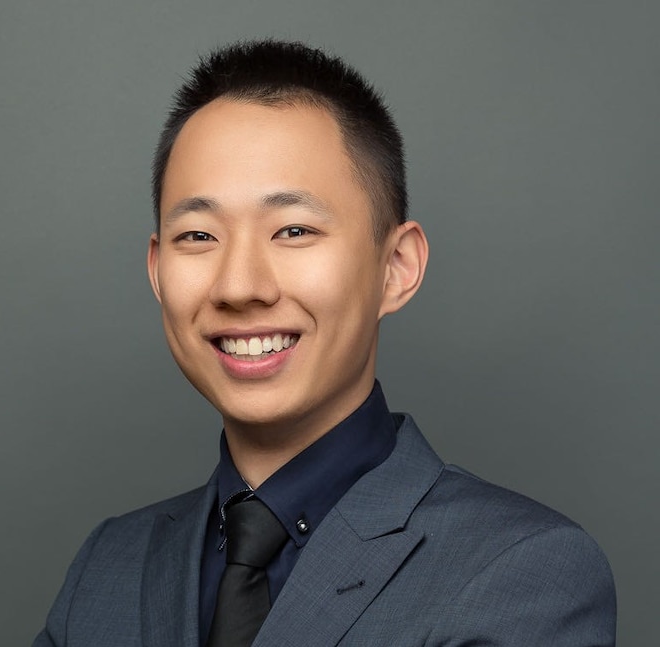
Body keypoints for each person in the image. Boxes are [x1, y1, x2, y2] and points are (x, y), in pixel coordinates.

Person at [33, 40, 616, 647]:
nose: (239, 286)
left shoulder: (521, 575)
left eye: (293, 229)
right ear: (157, 272)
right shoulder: (108, 566)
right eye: (199, 234)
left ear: (396, 267)